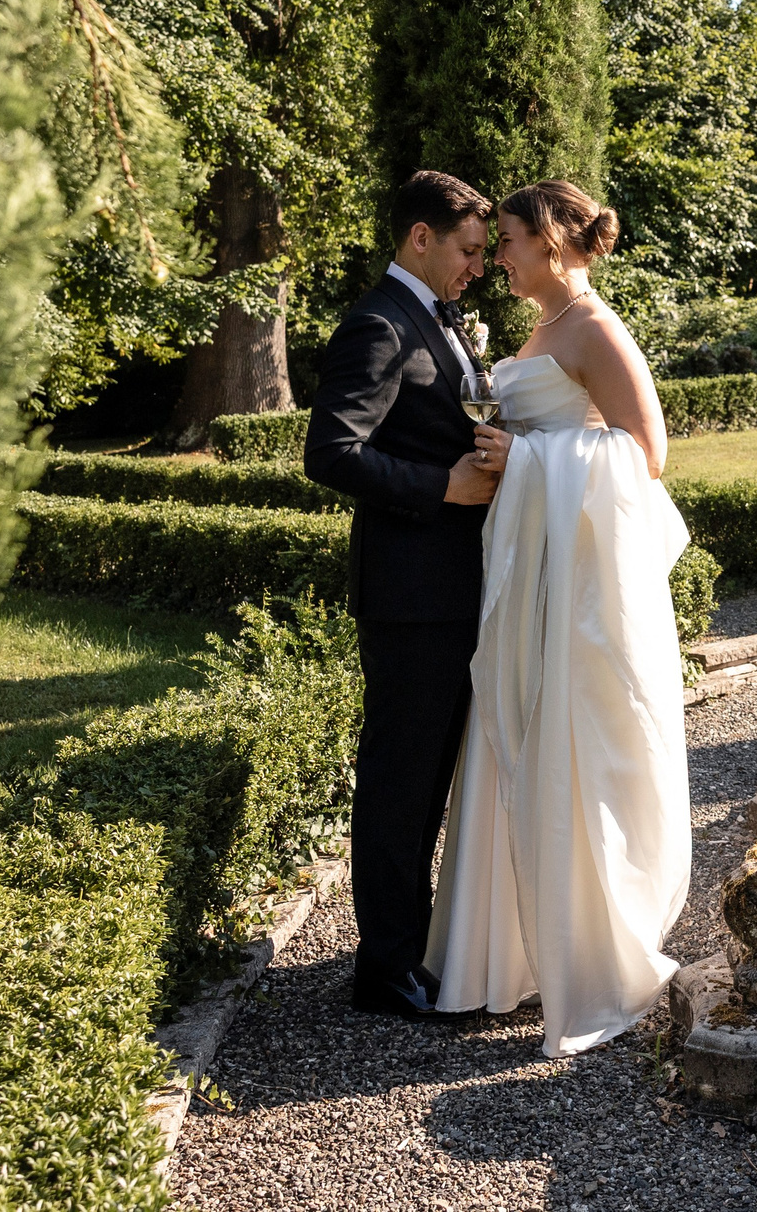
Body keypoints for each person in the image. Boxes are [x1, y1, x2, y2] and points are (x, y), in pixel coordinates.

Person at [427, 178, 693, 1056]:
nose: (495, 254)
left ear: (551, 238)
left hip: (579, 590)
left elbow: (646, 456)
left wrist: (530, 456)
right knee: (514, 735)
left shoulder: (597, 329)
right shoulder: (539, 330)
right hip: (533, 575)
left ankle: (590, 949)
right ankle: (504, 952)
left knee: (572, 747)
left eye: (504, 239)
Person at [303, 169, 509, 1018]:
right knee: (399, 781)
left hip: (450, 589)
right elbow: (329, 452)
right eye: (466, 249)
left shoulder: (436, 319)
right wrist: (442, 487)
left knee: (427, 782)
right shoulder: (378, 325)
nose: (476, 267)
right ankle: (382, 966)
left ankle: (409, 943)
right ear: (419, 237)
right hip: (410, 595)